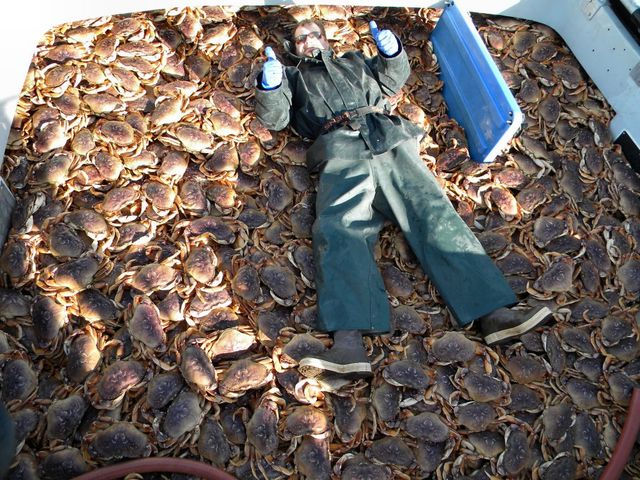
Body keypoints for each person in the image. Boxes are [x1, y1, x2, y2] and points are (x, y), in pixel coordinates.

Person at [254, 18, 552, 380]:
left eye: (315, 34)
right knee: (339, 230)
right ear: (292, 47)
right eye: (301, 38)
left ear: (327, 39)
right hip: (339, 152)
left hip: (389, 139)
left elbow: (392, 78)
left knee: (433, 213)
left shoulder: (354, 60)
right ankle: (348, 342)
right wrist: (270, 86)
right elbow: (277, 117)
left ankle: (493, 312)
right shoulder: (295, 79)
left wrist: (391, 51)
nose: (309, 41)